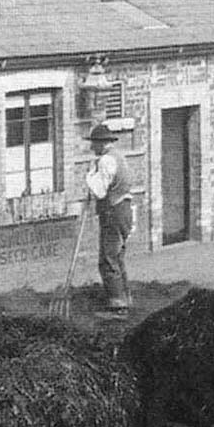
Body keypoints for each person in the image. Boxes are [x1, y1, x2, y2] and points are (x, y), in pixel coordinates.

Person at [85, 123, 134, 316]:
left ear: (101, 143)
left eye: (93, 144)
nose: (91, 148)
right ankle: (125, 296)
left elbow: (99, 190)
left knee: (108, 259)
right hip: (123, 211)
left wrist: (89, 176)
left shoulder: (106, 161)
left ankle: (118, 305)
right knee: (117, 257)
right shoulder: (119, 157)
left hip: (113, 213)